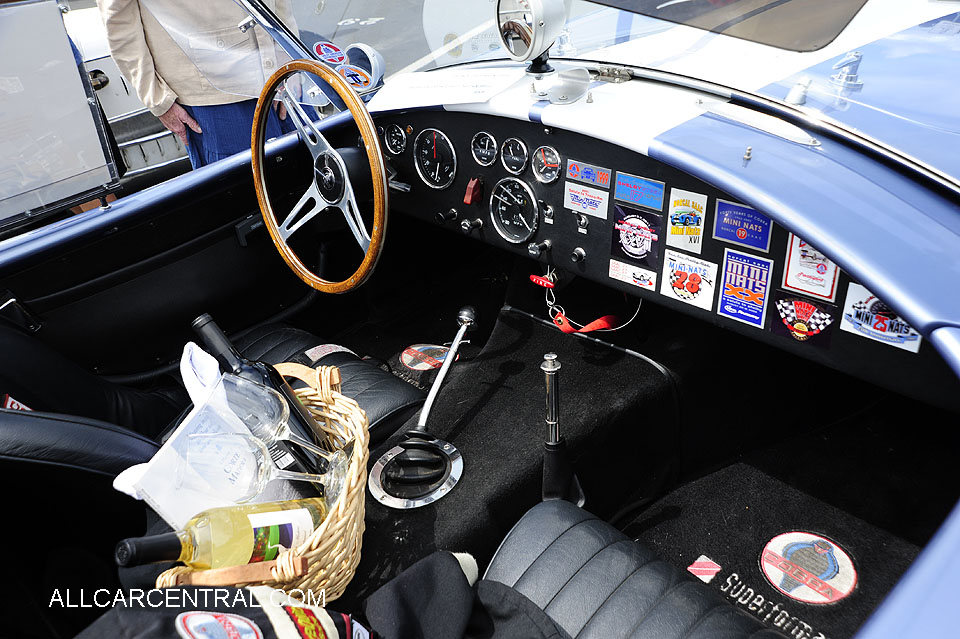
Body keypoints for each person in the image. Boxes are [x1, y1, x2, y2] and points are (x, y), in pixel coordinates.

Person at [97, 0, 298, 168]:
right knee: (248, 200)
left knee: (316, 178)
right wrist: (157, 99)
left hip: (282, 71)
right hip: (214, 94)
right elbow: (118, 19)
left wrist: (290, 57)